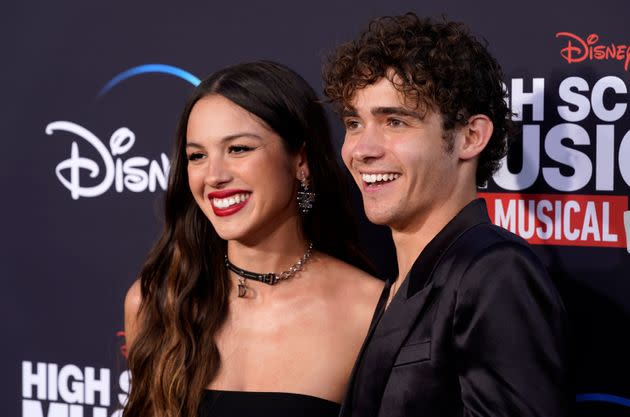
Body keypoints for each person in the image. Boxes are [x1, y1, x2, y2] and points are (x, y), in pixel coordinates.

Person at [323, 13, 569, 417]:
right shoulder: (404, 281)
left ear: (470, 137)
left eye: (395, 122)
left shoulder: (494, 273)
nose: (360, 149)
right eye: (354, 122)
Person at [123, 61, 383, 417]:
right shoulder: (157, 301)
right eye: (197, 156)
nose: (213, 176)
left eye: (239, 149)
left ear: (300, 160)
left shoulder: (369, 311)